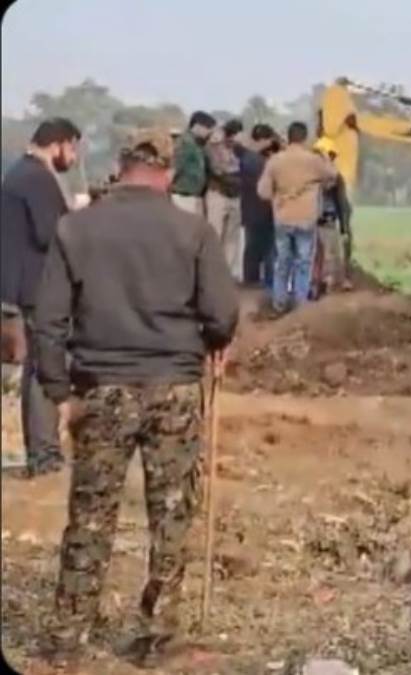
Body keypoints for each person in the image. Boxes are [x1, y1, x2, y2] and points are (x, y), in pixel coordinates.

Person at [32, 128, 238, 667]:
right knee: (170, 517)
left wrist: (59, 392)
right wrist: (215, 342)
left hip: (100, 388)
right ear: (169, 172)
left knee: (91, 515)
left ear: (121, 166)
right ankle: (155, 638)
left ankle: (66, 640)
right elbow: (222, 314)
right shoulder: (192, 231)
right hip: (174, 388)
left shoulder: (75, 228)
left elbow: (49, 321)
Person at [0, 117, 81, 477]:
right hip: (36, 288)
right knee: (45, 367)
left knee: (34, 367)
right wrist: (80, 214)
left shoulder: (19, 173)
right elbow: (52, 234)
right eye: (73, 148)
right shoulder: (37, 178)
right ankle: (45, 454)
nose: (74, 157)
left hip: (19, 285)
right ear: (58, 143)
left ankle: (40, 452)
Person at [257, 121, 337, 315]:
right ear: (304, 138)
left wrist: (279, 197)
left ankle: (279, 303)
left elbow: (263, 192)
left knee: (282, 261)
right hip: (306, 220)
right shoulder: (312, 160)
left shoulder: (275, 161)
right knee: (303, 262)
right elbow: (333, 175)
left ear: (289, 136)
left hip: (282, 218)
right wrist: (325, 157)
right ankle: (300, 306)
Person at [312, 136, 354, 296]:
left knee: (317, 254)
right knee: (328, 254)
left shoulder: (310, 174)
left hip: (313, 221)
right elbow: (342, 205)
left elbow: (342, 204)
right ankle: (327, 284)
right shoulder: (333, 176)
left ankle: (319, 284)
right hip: (325, 220)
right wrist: (344, 228)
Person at [205, 118, 244, 280]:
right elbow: (217, 170)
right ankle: (211, 274)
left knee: (232, 238)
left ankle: (225, 275)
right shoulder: (214, 146)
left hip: (234, 195)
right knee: (214, 235)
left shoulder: (238, 148)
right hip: (218, 193)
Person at [240, 124, 277, 287]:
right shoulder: (262, 162)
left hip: (249, 208)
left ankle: (251, 280)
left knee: (251, 249)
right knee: (268, 247)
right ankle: (268, 281)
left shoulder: (245, 158)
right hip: (264, 208)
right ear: (264, 140)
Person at [169, 111, 216, 215]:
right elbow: (174, 169)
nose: (209, 132)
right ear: (198, 126)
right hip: (182, 197)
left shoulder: (197, 143)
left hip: (193, 197)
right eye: (208, 128)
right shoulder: (185, 143)